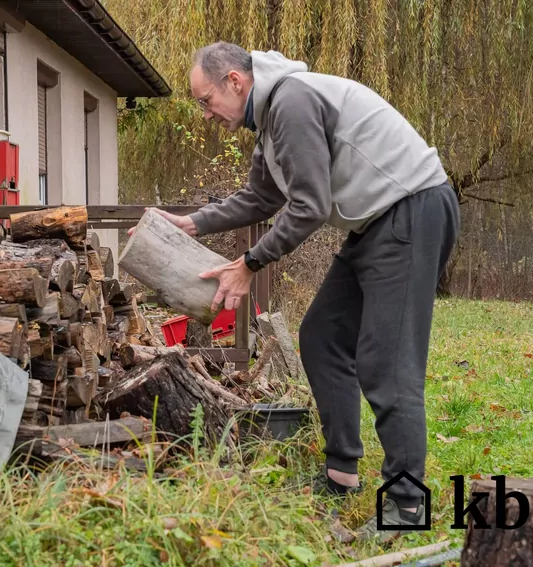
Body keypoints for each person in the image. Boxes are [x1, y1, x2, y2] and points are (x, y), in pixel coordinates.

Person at [135, 41, 460, 541]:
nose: (206, 114)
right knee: (322, 336)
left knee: (387, 361)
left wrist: (249, 263)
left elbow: (309, 205)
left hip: (412, 211)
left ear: (235, 82)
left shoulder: (291, 102)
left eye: (205, 101)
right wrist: (195, 222)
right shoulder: (269, 119)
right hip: (377, 223)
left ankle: (406, 506)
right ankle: (341, 473)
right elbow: (261, 197)